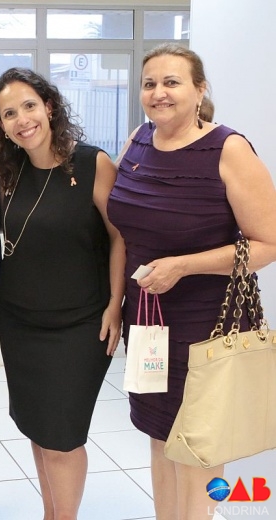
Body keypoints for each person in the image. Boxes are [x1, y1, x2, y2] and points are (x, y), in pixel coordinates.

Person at [107, 43, 276, 520]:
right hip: (147, 319)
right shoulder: (139, 140)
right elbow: (122, 224)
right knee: (160, 435)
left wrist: (183, 265)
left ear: (200, 90)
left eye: (172, 82)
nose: (158, 93)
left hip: (206, 324)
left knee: (198, 443)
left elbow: (268, 243)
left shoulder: (228, 148)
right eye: (150, 84)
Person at [0, 67, 125, 520]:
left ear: (48, 106)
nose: (22, 119)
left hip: (79, 324)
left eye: (29, 105)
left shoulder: (92, 164)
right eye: (9, 113)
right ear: (1, 124)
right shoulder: (8, 171)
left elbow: (120, 236)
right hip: (20, 322)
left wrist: (116, 304)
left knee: (62, 438)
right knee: (37, 428)